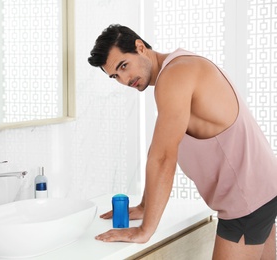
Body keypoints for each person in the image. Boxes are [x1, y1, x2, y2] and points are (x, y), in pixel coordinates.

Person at [88, 24, 277, 259]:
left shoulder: (175, 76)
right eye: (115, 76)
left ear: (140, 47)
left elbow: (163, 157)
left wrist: (145, 230)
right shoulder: (181, 65)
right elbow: (161, 146)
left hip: (246, 201)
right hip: (262, 188)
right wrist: (145, 206)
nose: (124, 79)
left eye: (123, 66)